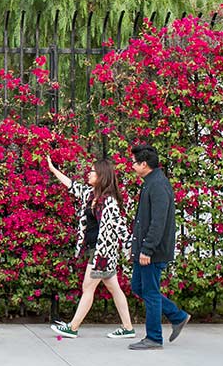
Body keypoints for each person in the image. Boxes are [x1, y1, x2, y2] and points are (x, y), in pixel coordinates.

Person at [46, 155, 135, 339]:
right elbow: (72, 185)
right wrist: (54, 170)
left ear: (101, 175)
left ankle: (73, 327)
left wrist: (130, 245)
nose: (89, 174)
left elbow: (119, 226)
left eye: (92, 171)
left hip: (103, 253)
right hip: (98, 250)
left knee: (88, 287)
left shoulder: (109, 201)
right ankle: (128, 328)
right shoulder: (91, 195)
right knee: (114, 288)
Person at [126, 144, 191, 350]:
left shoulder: (158, 185)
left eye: (135, 162)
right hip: (145, 248)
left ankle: (154, 337)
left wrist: (147, 249)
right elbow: (143, 221)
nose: (133, 166)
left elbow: (158, 221)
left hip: (152, 251)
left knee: (151, 292)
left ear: (144, 164)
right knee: (138, 287)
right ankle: (177, 316)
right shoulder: (150, 182)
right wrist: (136, 246)